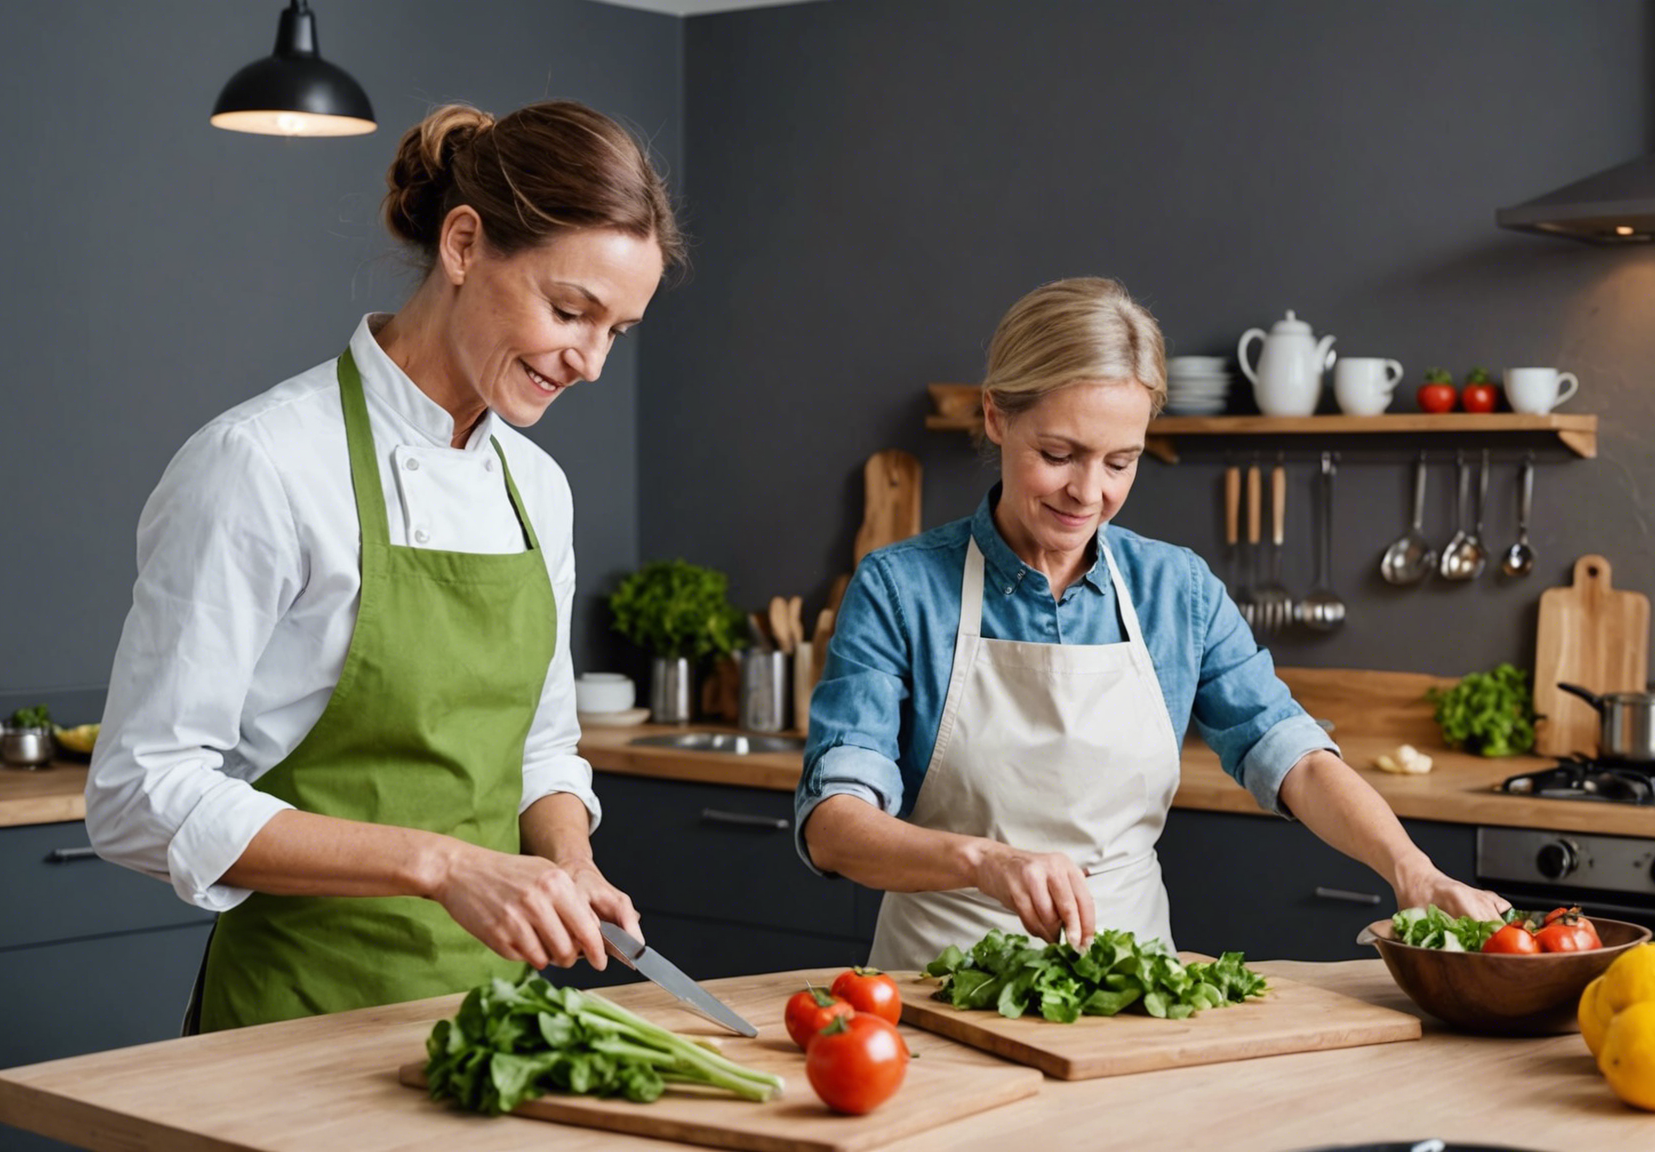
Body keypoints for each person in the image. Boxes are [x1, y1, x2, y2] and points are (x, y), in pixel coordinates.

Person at [85, 100, 682, 1031]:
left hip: (489, 1025)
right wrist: (442, 865)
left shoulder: (538, 489)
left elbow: (539, 748)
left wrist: (570, 862)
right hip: (292, 1021)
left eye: (618, 330)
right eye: (571, 311)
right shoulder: (264, 463)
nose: (592, 362)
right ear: (463, 244)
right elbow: (140, 792)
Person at [796, 278, 1509, 970]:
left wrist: (1412, 869)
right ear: (996, 417)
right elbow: (833, 824)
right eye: (1058, 455)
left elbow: (1290, 753)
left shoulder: (1177, 590)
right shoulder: (900, 589)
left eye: (1120, 462)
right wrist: (982, 861)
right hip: (937, 988)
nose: (1088, 493)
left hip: (1129, 989)